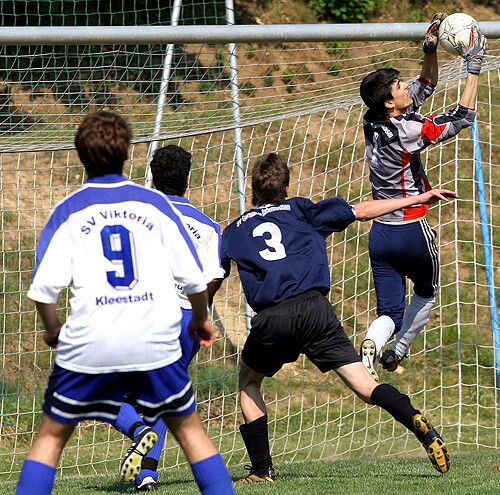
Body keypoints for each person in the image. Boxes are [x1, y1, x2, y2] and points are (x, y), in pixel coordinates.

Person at [16, 112, 234, 495]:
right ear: (127, 153)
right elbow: (193, 278)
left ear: (81, 156)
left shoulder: (68, 210)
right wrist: (201, 318)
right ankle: (146, 450)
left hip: (91, 335)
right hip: (155, 333)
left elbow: (43, 289)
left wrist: (53, 330)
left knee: (49, 438)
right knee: (191, 431)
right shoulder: (154, 204)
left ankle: (137, 437)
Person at [220, 153, 455, 483]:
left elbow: (213, 274)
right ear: (286, 188)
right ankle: (414, 418)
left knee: (248, 383)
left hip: (273, 318)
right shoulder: (301, 209)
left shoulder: (234, 231)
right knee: (365, 385)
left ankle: (262, 471)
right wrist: (418, 197)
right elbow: (363, 210)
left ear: (253, 190)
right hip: (316, 310)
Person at [358, 14, 487, 380]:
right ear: (390, 102)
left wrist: (429, 52)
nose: (406, 87)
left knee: (389, 312)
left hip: (380, 234)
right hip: (412, 230)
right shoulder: (410, 129)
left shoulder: (372, 120)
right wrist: (473, 66)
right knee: (427, 293)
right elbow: (462, 116)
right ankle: (398, 350)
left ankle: (372, 342)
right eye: (400, 85)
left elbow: (425, 85)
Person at [110, 144, 225, 491]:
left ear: (152, 178)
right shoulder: (208, 227)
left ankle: (137, 430)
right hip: (186, 318)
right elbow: (213, 277)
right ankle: (147, 474)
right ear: (188, 180)